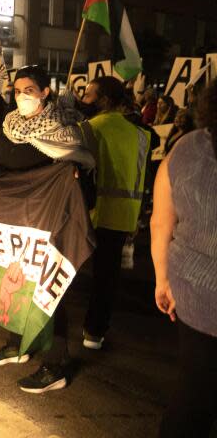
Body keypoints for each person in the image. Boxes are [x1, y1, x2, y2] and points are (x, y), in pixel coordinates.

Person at [0, 65, 94, 394]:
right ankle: (17, 343)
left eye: (29, 90)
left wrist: (73, 176)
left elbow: (84, 182)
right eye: (17, 90)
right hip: (15, 223)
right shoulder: (7, 128)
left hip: (49, 227)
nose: (21, 96)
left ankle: (56, 364)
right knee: (13, 282)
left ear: (45, 92)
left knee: (50, 291)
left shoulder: (66, 130)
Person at [150, 81, 217, 437]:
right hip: (197, 294)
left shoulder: (186, 148)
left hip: (194, 295)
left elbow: (161, 221)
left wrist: (163, 280)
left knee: (193, 393)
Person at [78, 77, 150, 351]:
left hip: (88, 213)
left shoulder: (88, 128)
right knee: (106, 278)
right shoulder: (141, 135)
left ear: (104, 99)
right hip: (122, 217)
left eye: (88, 95)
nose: (84, 100)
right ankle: (94, 332)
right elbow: (143, 179)